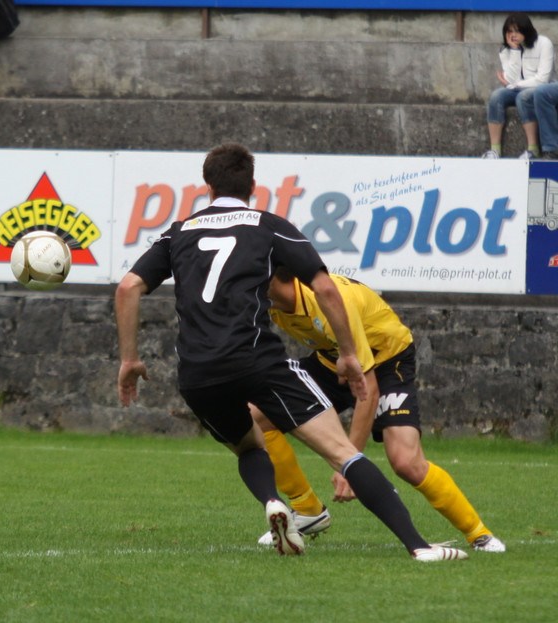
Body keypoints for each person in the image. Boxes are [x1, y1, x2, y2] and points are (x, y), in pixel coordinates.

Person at [115, 143, 467, 562]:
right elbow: (325, 288)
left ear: (207, 186)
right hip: (257, 361)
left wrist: (130, 360)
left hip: (197, 373)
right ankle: (419, 546)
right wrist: (348, 353)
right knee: (343, 454)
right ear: (253, 186)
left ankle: (273, 501)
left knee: (249, 446)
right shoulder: (268, 226)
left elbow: (128, 287)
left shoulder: (178, 233)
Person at [250, 271, 506, 554]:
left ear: (273, 278)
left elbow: (368, 389)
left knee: (406, 462)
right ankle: (307, 509)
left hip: (387, 362)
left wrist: (349, 468)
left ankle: (478, 534)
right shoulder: (266, 305)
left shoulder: (327, 301)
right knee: (256, 417)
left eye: (252, 272)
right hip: (331, 362)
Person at [482, 13, 554, 160]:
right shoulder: (506, 50)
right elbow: (510, 79)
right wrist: (514, 50)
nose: (513, 35)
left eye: (517, 31)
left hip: (539, 89)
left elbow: (543, 79)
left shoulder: (543, 43)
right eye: (509, 31)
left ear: (526, 30)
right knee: (496, 96)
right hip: (516, 87)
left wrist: (516, 85)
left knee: (523, 97)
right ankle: (495, 150)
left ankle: (533, 149)